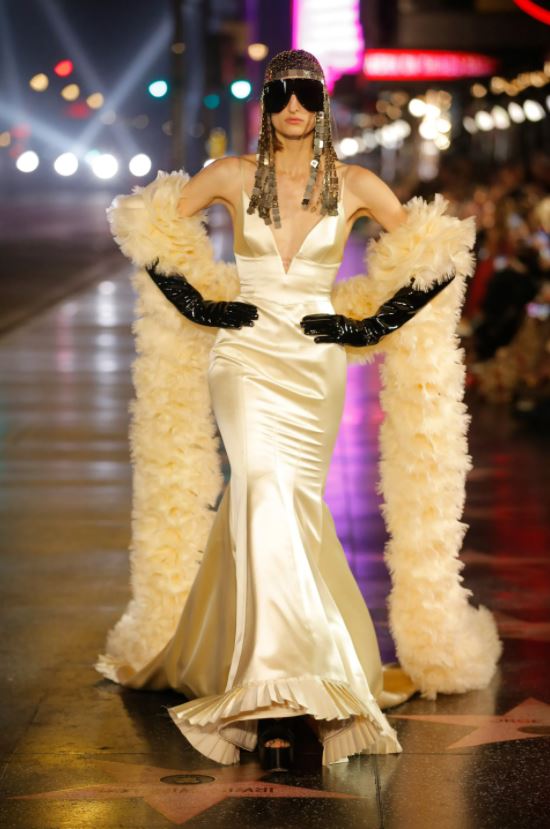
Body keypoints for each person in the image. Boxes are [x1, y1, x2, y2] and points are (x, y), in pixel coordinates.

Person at [96, 49, 501, 771]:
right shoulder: (230, 175)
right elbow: (144, 223)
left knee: (291, 505)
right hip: (244, 359)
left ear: (321, 105)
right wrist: (201, 305)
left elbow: (439, 254)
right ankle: (277, 702)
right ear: (266, 102)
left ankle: (284, 665)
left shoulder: (356, 183)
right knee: (262, 489)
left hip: (314, 366)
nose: (293, 107)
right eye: (281, 93)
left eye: (307, 96)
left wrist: (367, 325)